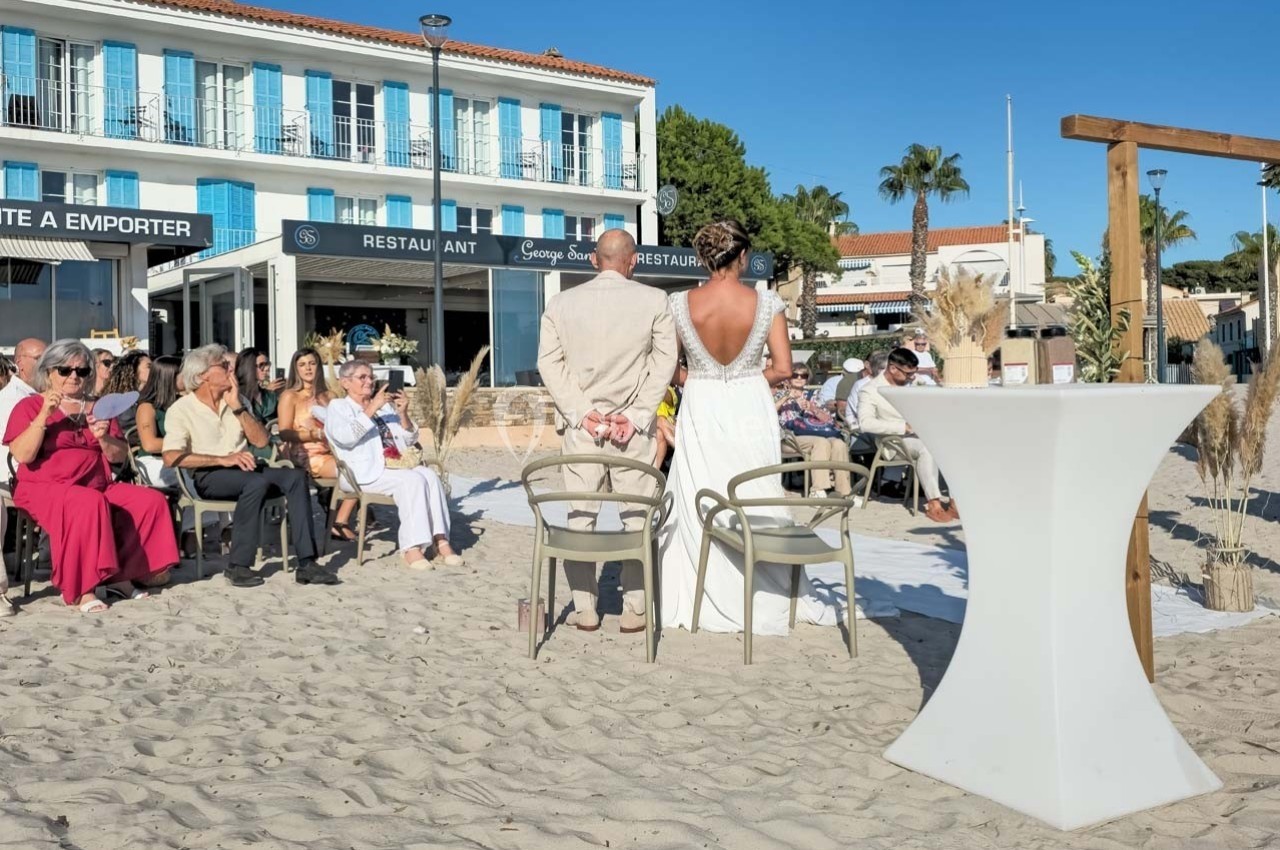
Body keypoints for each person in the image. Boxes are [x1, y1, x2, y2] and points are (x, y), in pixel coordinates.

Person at [660, 219, 850, 636]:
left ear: (704, 258)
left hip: (700, 403)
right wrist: (742, 381)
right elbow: (782, 368)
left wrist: (702, 381)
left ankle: (696, 591)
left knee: (698, 488)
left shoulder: (679, 303)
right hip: (750, 405)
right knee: (755, 489)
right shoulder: (766, 304)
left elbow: (670, 369)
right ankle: (762, 586)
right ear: (743, 256)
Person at [537, 228, 678, 633]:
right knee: (636, 515)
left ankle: (585, 608)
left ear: (593, 259)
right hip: (631, 430)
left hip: (583, 429)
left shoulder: (561, 303)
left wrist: (583, 413)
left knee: (580, 516)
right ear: (634, 261)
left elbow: (549, 364)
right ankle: (634, 609)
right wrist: (635, 415)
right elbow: (664, 363)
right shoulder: (655, 299)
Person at [2, 340, 178, 612]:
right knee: (87, 502)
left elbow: (119, 456)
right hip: (44, 486)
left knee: (149, 501)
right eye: (65, 370)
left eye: (82, 371)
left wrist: (104, 438)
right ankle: (82, 590)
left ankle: (120, 577)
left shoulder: (99, 407)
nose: (74, 376)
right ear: (49, 371)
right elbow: (23, 455)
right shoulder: (30, 406)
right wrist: (44, 416)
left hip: (96, 483)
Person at [162, 344, 337, 588]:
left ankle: (307, 563)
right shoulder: (182, 409)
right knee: (256, 482)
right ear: (202, 376)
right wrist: (222, 459)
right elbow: (171, 456)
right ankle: (238, 565)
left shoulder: (237, 399)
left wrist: (237, 407)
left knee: (296, 477)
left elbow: (261, 441)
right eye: (224, 365)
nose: (231, 369)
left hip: (245, 469)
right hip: (209, 475)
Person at [324, 360, 461, 568]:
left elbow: (409, 439)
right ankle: (412, 548)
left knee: (430, 476)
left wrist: (402, 413)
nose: (369, 381)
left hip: (395, 464)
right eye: (362, 377)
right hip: (362, 471)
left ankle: (440, 540)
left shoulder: (385, 407)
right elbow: (346, 438)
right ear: (345, 382)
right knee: (411, 481)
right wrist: (372, 408)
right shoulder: (339, 407)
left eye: (371, 377)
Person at [857, 348, 957, 523]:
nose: (912, 377)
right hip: (892, 441)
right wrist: (903, 427)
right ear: (893, 368)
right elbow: (865, 423)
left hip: (921, 434)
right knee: (927, 448)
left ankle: (955, 501)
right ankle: (934, 503)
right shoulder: (870, 390)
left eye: (914, 372)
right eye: (908, 373)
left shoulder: (914, 382)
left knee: (953, 444)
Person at [277, 347, 357, 540]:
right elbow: (284, 433)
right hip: (306, 454)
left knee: (363, 465)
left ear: (319, 367)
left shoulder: (329, 396)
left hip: (332, 451)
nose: (308, 368)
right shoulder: (290, 396)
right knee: (355, 470)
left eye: (312, 363)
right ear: (296, 369)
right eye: (302, 365)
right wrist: (314, 434)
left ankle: (339, 519)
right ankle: (339, 522)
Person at [0, 338, 45, 617]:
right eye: (40, 358)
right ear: (20, 363)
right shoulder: (14, 399)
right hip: (13, 477)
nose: (48, 363)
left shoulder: (40, 394)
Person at [775, 363, 853, 498]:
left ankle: (844, 491)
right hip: (789, 437)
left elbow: (828, 420)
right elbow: (770, 411)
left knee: (839, 444)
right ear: (788, 377)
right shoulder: (780, 394)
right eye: (795, 375)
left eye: (803, 375)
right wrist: (787, 397)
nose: (799, 378)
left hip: (814, 432)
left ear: (807, 378)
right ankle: (818, 489)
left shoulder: (814, 394)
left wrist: (813, 408)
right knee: (821, 443)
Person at [234, 348, 283, 461]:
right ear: (248, 367)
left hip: (270, 440)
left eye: (267, 364)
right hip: (248, 445)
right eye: (261, 365)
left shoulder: (269, 396)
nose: (267, 368)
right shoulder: (237, 395)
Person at [100, 350, 152, 439]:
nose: (154, 370)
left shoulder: (147, 395)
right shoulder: (121, 400)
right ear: (134, 371)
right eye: (149, 367)